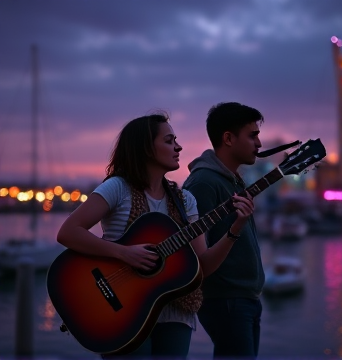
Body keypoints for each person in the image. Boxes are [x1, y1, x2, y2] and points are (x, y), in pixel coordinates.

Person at [56, 111, 255, 358]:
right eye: (169, 141)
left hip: (176, 314)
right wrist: (124, 253)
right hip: (122, 313)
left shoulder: (185, 200)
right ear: (147, 148)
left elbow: (201, 266)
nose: (178, 146)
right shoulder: (118, 188)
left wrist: (234, 229)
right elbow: (68, 232)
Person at [183, 102, 265, 359]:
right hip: (226, 299)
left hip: (245, 297)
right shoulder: (203, 183)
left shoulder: (232, 179)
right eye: (252, 135)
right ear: (228, 138)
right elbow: (194, 253)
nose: (259, 144)